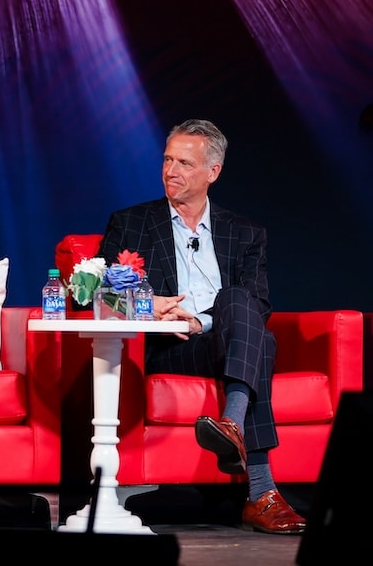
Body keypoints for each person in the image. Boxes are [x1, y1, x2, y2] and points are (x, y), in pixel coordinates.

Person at [97, 118, 306, 535]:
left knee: (237, 302)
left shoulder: (245, 232)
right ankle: (262, 490)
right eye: (168, 159)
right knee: (258, 340)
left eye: (185, 163)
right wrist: (145, 304)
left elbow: (259, 301)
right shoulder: (131, 223)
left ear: (213, 172)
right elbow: (97, 292)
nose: (171, 171)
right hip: (173, 350)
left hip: (222, 336)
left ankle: (233, 425)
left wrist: (200, 320)